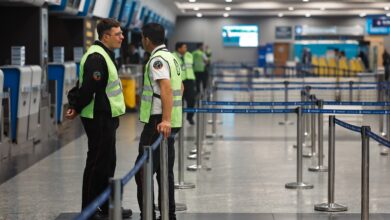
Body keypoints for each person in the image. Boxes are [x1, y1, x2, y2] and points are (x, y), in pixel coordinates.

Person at [65, 18, 132, 220]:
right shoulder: (96, 57)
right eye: (118, 34)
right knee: (97, 163)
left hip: (107, 116)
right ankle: (90, 208)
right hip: (98, 117)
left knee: (108, 162)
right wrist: (76, 107)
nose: (122, 37)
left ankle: (106, 205)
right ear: (105, 36)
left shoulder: (106, 55)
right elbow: (88, 88)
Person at [134, 23, 183, 220]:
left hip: (158, 122)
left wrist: (165, 119)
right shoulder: (172, 57)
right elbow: (180, 87)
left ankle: (148, 215)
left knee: (142, 172)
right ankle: (168, 214)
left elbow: (166, 89)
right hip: (170, 121)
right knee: (164, 171)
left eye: (142, 38)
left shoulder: (158, 60)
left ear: (146, 39)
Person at [172, 42, 196, 125]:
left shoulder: (189, 55)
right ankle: (178, 119)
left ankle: (190, 117)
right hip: (178, 81)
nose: (186, 49)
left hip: (189, 80)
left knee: (192, 99)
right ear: (179, 49)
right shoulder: (172, 56)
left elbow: (191, 66)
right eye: (184, 47)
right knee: (178, 101)